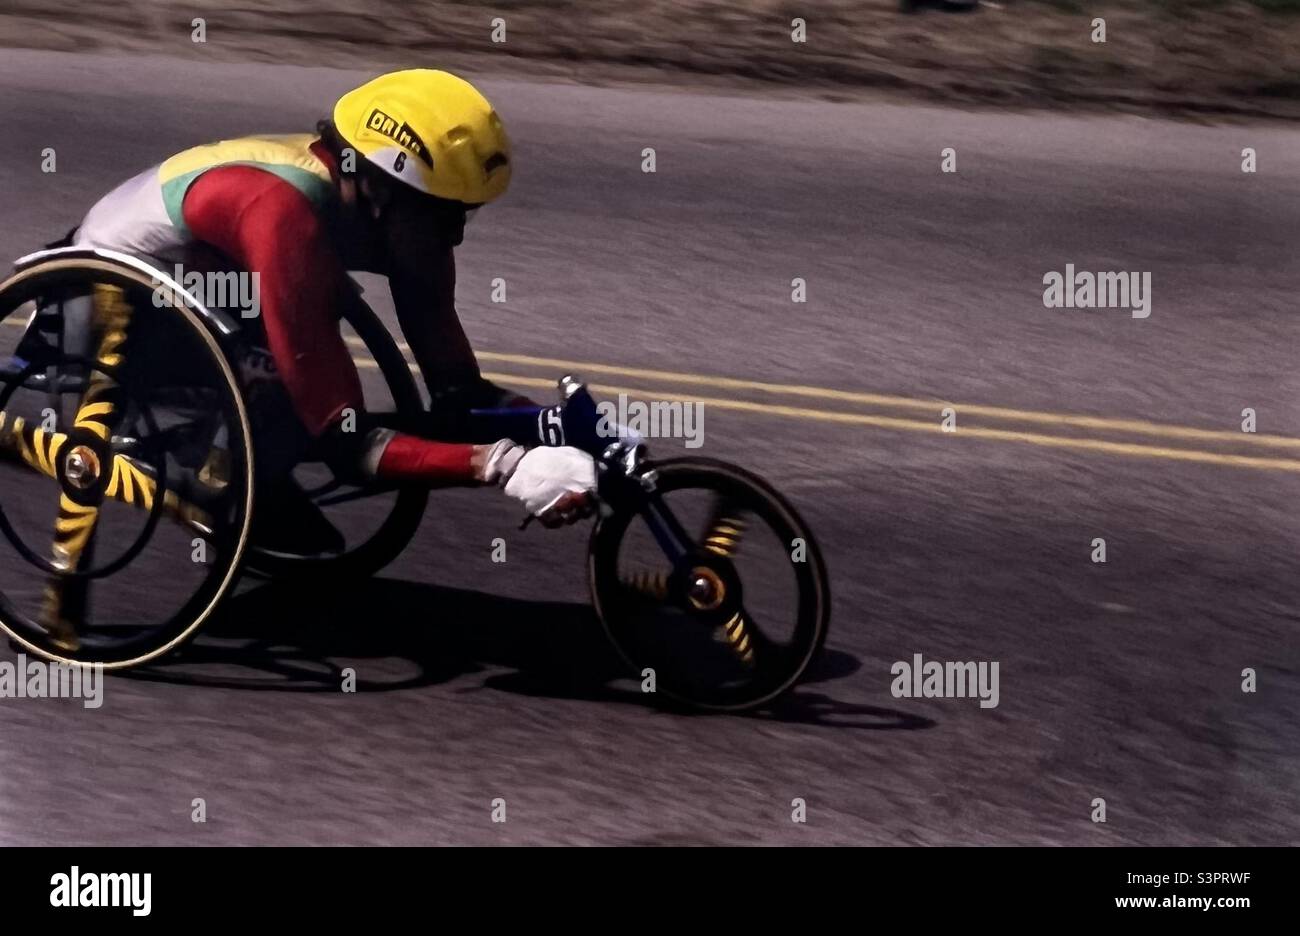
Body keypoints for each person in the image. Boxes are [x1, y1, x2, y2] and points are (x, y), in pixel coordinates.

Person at [70, 69, 597, 529]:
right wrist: (501, 466)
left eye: (465, 214)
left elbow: (456, 390)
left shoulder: (392, 210)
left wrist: (552, 425)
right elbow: (348, 445)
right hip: (110, 306)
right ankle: (214, 474)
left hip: (210, 283)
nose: (454, 236)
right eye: (441, 216)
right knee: (302, 386)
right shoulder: (284, 215)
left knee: (307, 354)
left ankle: (240, 466)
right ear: (379, 189)